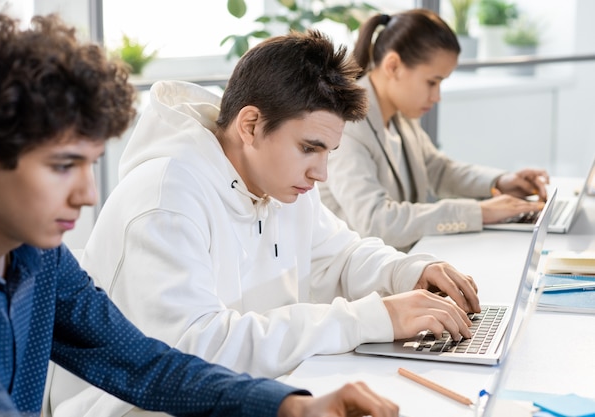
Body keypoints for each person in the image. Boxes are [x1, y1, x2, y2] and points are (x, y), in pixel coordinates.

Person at [0, 12, 402, 417]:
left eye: (89, 164)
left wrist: (289, 406)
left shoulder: (40, 257)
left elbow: (145, 364)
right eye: (63, 166)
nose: (88, 194)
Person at [48, 25, 482, 416]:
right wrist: (370, 318)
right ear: (251, 125)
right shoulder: (167, 197)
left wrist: (409, 271)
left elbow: (343, 255)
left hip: (248, 391)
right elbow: (199, 349)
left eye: (328, 152)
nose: (321, 172)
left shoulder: (280, 183)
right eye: (309, 148)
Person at [318, 9, 549, 252]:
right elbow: (376, 221)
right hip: (361, 280)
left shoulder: (398, 113)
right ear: (393, 66)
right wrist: (479, 212)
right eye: (432, 82)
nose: (437, 96)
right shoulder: (347, 125)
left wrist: (501, 181)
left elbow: (437, 169)